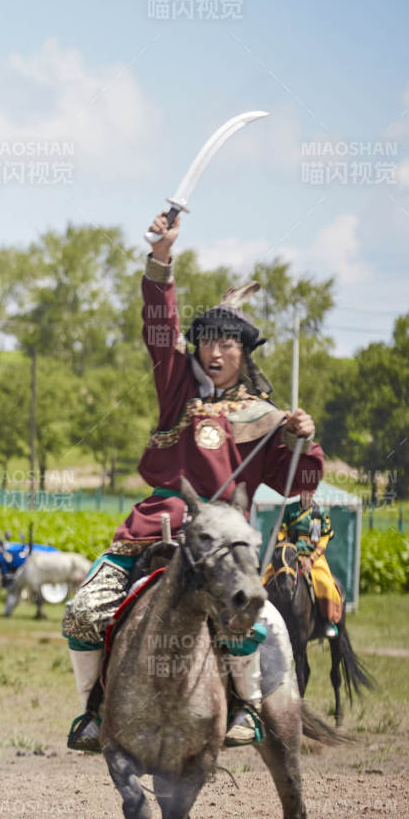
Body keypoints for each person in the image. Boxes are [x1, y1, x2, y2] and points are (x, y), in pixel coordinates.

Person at [61, 208, 324, 751]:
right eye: (207, 341)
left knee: (253, 619)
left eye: (229, 343)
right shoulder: (177, 389)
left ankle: (248, 708)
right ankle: (93, 711)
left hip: (223, 542)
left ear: (243, 352)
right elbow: (159, 326)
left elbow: (297, 477)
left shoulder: (262, 416)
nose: (217, 350)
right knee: (83, 611)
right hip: (153, 530)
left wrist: (303, 438)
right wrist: (162, 257)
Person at [271, 499, 343, 638]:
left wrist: (311, 558)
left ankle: (326, 621)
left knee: (326, 584)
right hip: (290, 556)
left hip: (313, 558)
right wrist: (288, 548)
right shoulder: (289, 509)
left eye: (310, 490)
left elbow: (324, 538)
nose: (306, 493)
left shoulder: (319, 512)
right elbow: (281, 532)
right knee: (266, 578)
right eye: (304, 489)